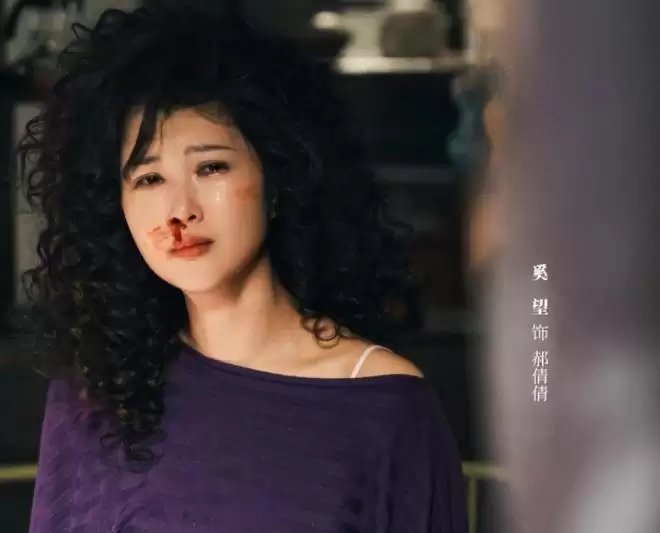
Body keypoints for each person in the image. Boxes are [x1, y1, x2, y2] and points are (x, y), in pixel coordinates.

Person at [19, 3, 467, 532]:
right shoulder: (95, 390)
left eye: (211, 167)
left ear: (276, 180)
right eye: (148, 179)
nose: (179, 210)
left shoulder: (383, 406)